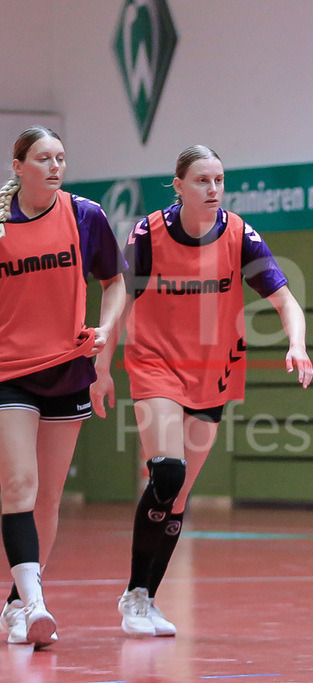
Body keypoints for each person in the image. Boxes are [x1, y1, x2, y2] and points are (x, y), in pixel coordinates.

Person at [91, 144, 313, 638]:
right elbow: (121, 298)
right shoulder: (149, 232)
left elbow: (285, 299)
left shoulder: (239, 235)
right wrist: (102, 367)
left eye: (219, 180)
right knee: (167, 473)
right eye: (201, 181)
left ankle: (147, 597)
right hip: (154, 365)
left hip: (213, 371)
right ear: (179, 185)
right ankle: (133, 595)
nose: (213, 189)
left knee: (180, 494)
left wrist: (296, 344)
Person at [0, 126, 128, 647]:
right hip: (9, 371)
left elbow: (116, 281)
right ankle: (34, 604)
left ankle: (14, 606)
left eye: (61, 158)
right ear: (18, 166)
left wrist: (105, 333)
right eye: (43, 159)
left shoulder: (85, 215)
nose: (54, 167)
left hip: (68, 368)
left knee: (48, 498)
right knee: (17, 486)